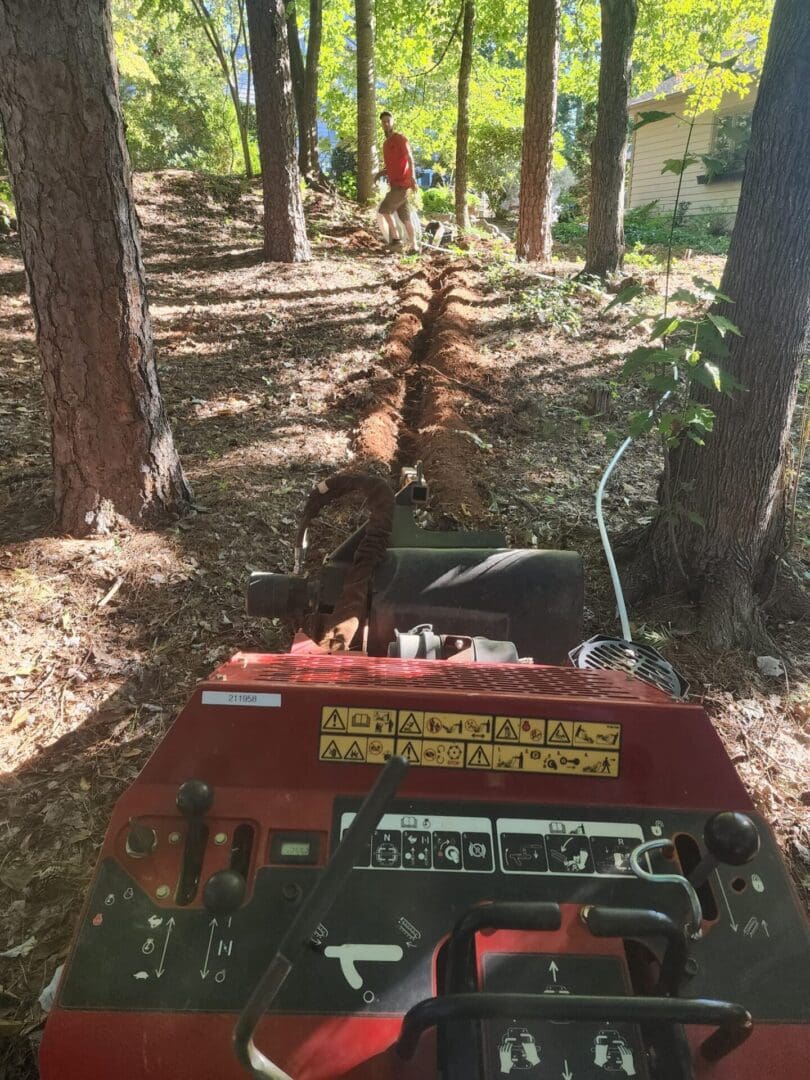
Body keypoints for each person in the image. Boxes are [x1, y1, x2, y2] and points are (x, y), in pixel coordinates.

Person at [375, 111, 419, 251]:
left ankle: (396, 240)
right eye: (383, 122)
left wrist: (413, 178)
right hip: (395, 186)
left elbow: (409, 158)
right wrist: (379, 173)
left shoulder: (400, 139)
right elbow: (391, 166)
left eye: (388, 121)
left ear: (393, 121)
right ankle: (414, 246)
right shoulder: (386, 144)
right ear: (381, 124)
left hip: (403, 185)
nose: (386, 123)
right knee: (405, 217)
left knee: (384, 209)